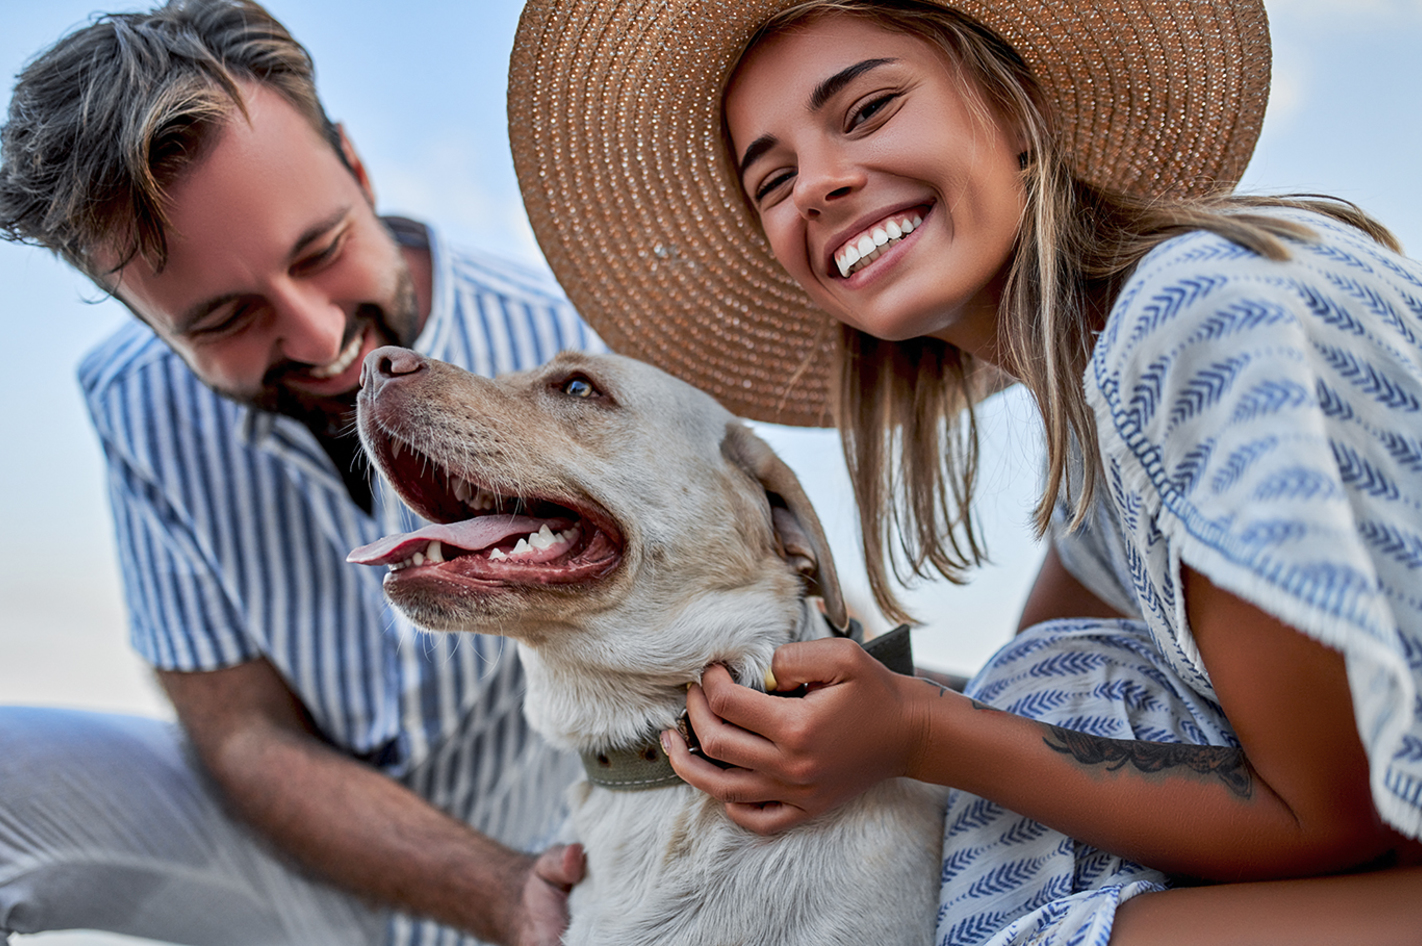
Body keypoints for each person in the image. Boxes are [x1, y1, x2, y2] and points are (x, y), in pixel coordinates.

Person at [508, 0, 1422, 942]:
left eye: (866, 110)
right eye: (773, 180)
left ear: (1017, 113)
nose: (818, 184)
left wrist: (915, 732)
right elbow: (1011, 702)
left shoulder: (1188, 325)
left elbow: (1339, 820)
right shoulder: (1099, 439)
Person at [0, 1, 603, 944]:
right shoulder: (130, 402)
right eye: (224, 319)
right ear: (146, 323)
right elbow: (242, 733)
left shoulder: (570, 350)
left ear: (356, 169)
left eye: (321, 251)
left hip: (577, 862)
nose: (325, 342)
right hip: (292, 874)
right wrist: (492, 891)